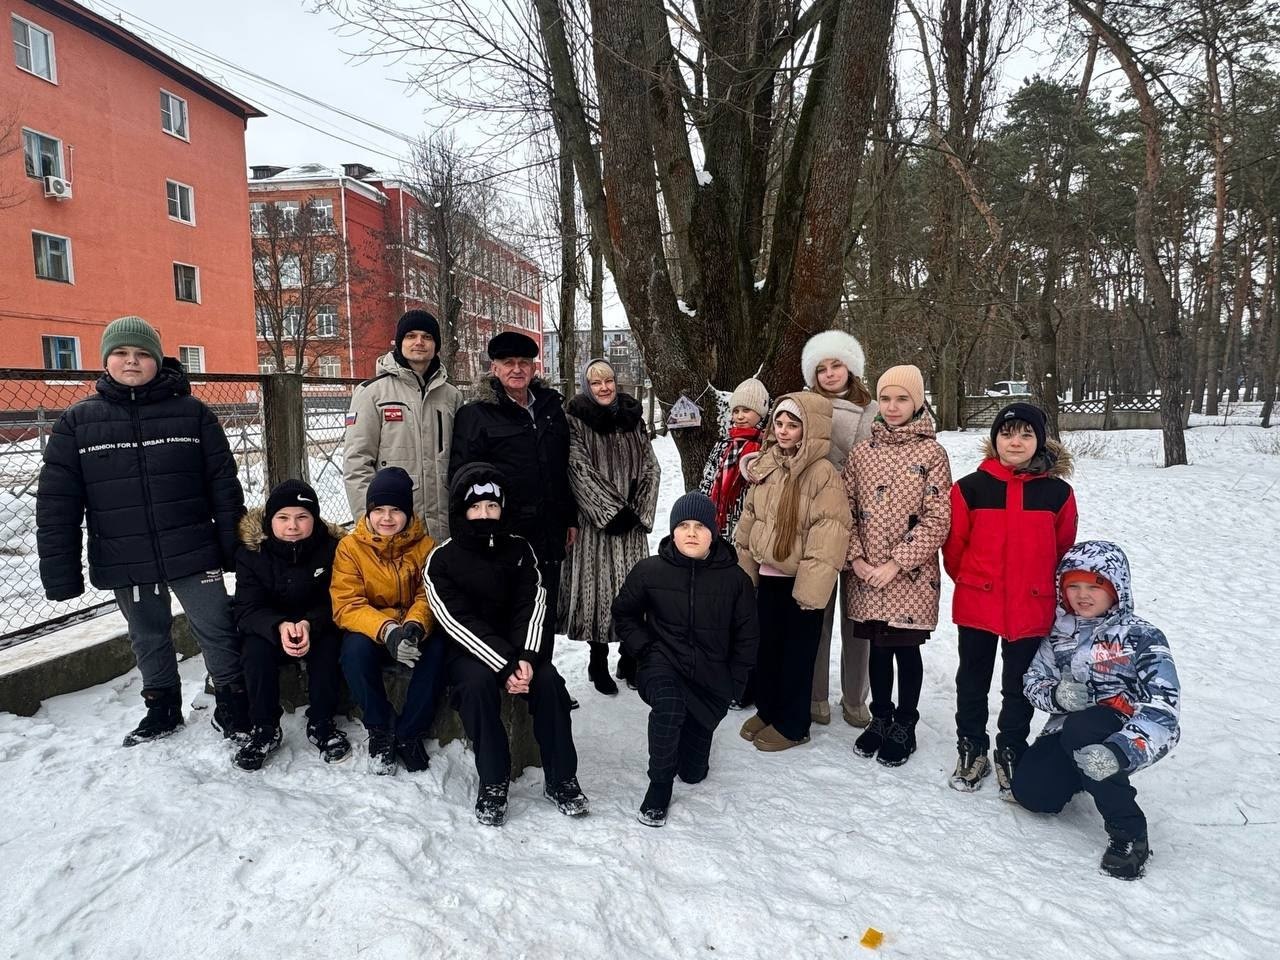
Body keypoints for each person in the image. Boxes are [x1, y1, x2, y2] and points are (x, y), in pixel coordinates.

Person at [36, 315, 248, 747]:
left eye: (141, 354)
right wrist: (61, 573)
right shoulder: (78, 423)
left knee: (216, 626)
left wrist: (233, 549)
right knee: (148, 635)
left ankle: (232, 700)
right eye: (121, 353)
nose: (131, 362)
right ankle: (162, 707)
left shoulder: (192, 414)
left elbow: (224, 487)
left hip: (192, 548)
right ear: (106, 360)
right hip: (125, 554)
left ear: (157, 359)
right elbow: (57, 504)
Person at [423, 463, 589, 826]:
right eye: (476, 507)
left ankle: (561, 777)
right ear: (462, 511)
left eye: (492, 507)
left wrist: (527, 657)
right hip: (469, 651)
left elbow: (532, 604)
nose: (484, 515)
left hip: (519, 649)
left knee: (550, 685)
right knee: (477, 688)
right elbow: (453, 619)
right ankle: (494, 780)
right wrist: (503, 663)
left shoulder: (519, 550)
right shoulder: (442, 559)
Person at [1014, 541, 1180, 880]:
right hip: (1068, 729)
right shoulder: (1059, 634)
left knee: (1084, 730)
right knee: (1032, 793)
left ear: (1116, 588)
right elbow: (1033, 680)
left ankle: (1129, 832)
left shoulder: (1142, 636)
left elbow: (1163, 709)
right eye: (1073, 585)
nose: (1082, 594)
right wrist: (1057, 696)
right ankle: (1085, 772)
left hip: (1121, 729)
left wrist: (1121, 751)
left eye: (1094, 586)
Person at [943, 401, 1077, 796]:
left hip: (1030, 606)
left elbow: (1063, 549)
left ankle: (1012, 747)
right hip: (978, 603)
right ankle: (971, 744)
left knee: (1019, 683)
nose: (1015, 441)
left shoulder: (1057, 493)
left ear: (1039, 440)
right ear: (994, 439)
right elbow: (955, 548)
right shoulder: (970, 488)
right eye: (1007, 433)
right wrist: (971, 580)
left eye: (1025, 434)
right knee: (972, 678)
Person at [612, 492, 759, 827]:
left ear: (714, 531)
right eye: (683, 525)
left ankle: (687, 748)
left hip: (710, 678)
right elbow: (624, 614)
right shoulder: (650, 570)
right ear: (672, 531)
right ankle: (658, 786)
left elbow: (747, 638)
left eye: (699, 526)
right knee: (669, 706)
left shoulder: (736, 581)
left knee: (694, 774)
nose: (691, 533)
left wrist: (734, 683)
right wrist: (645, 649)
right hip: (661, 662)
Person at [841, 365, 951, 767]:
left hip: (910, 575)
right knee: (876, 647)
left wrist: (895, 563)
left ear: (917, 402)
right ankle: (881, 716)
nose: (892, 406)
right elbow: (846, 509)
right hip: (865, 570)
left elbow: (938, 518)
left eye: (901, 398)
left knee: (904, 648)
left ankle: (905, 721)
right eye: (885, 398)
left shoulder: (931, 453)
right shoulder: (862, 453)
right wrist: (856, 558)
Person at [449, 332, 577, 661]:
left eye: (524, 363)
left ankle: (542, 673)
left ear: (534, 367)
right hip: (505, 531)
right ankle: (511, 679)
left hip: (550, 528)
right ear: (495, 368)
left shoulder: (550, 408)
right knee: (508, 604)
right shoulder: (476, 414)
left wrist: (569, 517)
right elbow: (464, 477)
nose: (517, 369)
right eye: (509, 363)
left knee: (544, 605)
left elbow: (564, 468)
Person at [735, 392, 851, 752]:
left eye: (793, 425)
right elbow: (750, 519)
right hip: (769, 576)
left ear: (810, 429)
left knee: (796, 655)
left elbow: (829, 531)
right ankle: (769, 709)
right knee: (767, 649)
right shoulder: (768, 465)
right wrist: (744, 572)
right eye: (780, 424)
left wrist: (810, 591)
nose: (784, 431)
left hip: (800, 583)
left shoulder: (821, 473)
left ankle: (793, 721)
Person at [331, 466, 445, 775]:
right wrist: (387, 630)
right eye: (378, 509)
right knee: (353, 652)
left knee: (437, 653)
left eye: (396, 510)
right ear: (368, 513)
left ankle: (409, 731)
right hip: (372, 628)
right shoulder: (350, 549)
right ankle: (380, 728)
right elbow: (347, 604)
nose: (386, 517)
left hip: (410, 627)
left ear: (408, 513)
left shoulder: (425, 547)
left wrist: (413, 626)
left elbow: (428, 595)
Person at [231, 479, 350, 770]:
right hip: (271, 627)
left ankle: (322, 722)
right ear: (271, 520)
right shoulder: (252, 553)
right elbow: (246, 608)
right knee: (254, 652)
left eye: (302, 517)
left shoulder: (334, 548)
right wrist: (278, 626)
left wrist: (310, 624)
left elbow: (339, 599)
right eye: (283, 518)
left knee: (329, 650)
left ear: (315, 518)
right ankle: (265, 728)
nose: (292, 526)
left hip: (317, 625)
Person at [563, 357, 661, 695]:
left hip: (631, 525)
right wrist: (609, 511)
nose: (604, 388)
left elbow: (651, 466)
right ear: (586, 387)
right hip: (597, 527)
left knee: (634, 594)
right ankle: (598, 659)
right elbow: (577, 468)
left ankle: (629, 657)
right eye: (596, 382)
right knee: (598, 595)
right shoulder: (576, 420)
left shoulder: (633, 419)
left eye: (608, 381)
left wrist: (638, 511)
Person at [800, 330, 879, 729]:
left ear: (851, 367)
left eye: (837, 365)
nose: (830, 373)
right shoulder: (804, 406)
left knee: (857, 622)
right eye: (822, 367)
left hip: (863, 526)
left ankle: (854, 698)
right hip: (815, 524)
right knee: (817, 613)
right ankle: (815, 697)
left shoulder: (872, 410)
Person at [343, 309, 463, 540]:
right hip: (394, 525)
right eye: (411, 336)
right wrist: (369, 523)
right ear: (399, 342)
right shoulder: (372, 393)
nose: (419, 342)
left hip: (443, 525)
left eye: (427, 337)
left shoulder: (451, 396)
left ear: (436, 345)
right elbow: (357, 463)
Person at [698, 376, 769, 541]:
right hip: (717, 518)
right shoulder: (724, 443)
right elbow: (708, 478)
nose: (740, 416)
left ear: (760, 412)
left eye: (746, 410)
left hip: (748, 519)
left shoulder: (766, 447)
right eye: (736, 411)